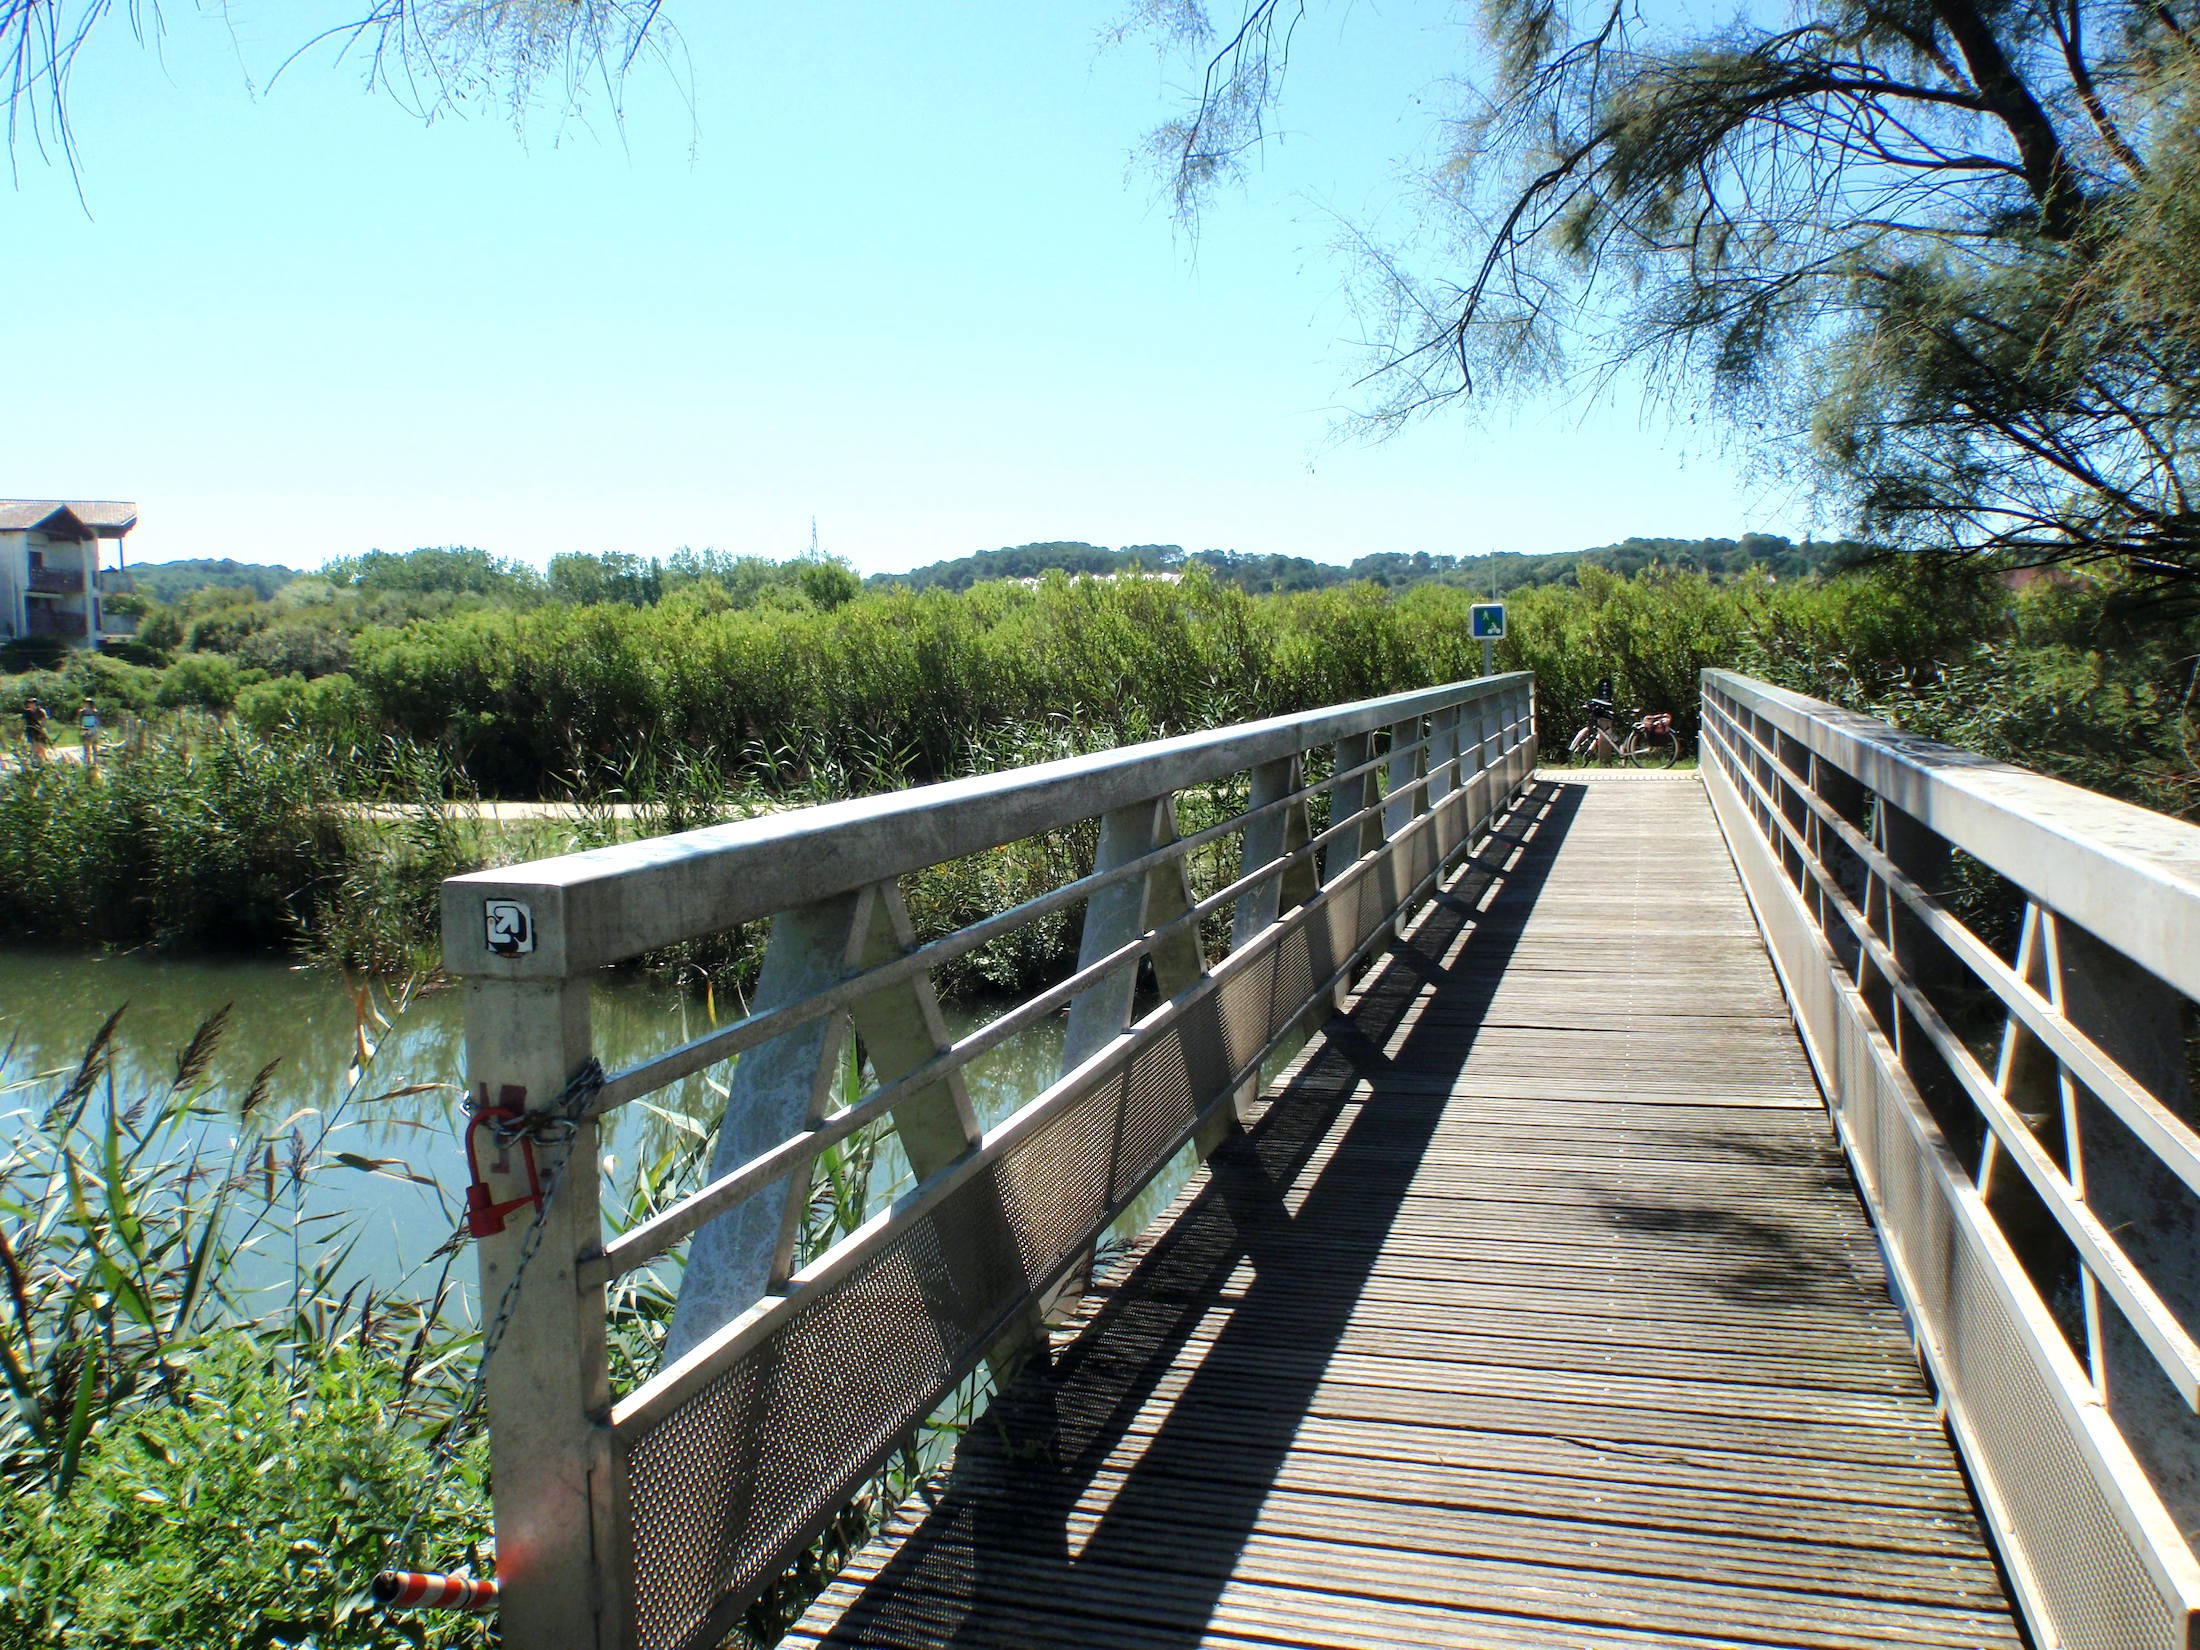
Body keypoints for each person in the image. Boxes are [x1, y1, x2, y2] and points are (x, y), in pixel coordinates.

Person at [20, 696, 49, 762]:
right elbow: (23, 722)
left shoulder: (40, 711)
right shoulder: (27, 712)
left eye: (30, 703)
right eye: (28, 703)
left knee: (41, 747)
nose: (29, 704)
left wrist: (41, 728)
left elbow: (44, 720)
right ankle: (36, 760)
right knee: (33, 746)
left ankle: (45, 760)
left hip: (39, 731)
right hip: (30, 731)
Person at [77, 697, 100, 769]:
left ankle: (95, 761)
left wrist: (96, 729)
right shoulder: (82, 712)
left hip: (93, 728)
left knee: (94, 745)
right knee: (86, 745)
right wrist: (81, 728)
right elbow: (80, 721)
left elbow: (97, 721)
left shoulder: (94, 711)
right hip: (85, 728)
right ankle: (87, 761)